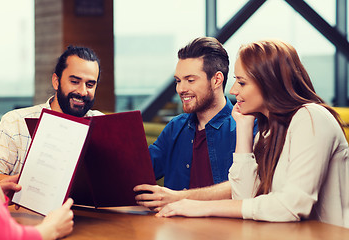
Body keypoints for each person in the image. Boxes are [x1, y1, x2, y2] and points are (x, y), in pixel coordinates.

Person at [135, 40, 349, 228]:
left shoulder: (311, 117)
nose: (233, 90)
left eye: (242, 82)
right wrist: (245, 129)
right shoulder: (266, 131)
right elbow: (245, 196)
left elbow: (292, 206)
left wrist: (198, 206)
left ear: (269, 82)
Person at [0, 46, 103, 182]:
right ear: (56, 81)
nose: (83, 91)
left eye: (90, 85)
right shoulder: (15, 122)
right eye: (74, 82)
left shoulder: (104, 125)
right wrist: (28, 182)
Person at [0, 64, 74, 240]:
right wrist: (51, 229)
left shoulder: (100, 120)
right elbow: (6, 236)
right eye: (74, 81)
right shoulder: (15, 121)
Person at [146, 37, 237, 191]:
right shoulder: (175, 127)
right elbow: (142, 171)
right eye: (178, 81)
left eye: (190, 80)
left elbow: (246, 189)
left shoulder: (244, 128)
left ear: (216, 80)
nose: (181, 89)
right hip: (171, 215)